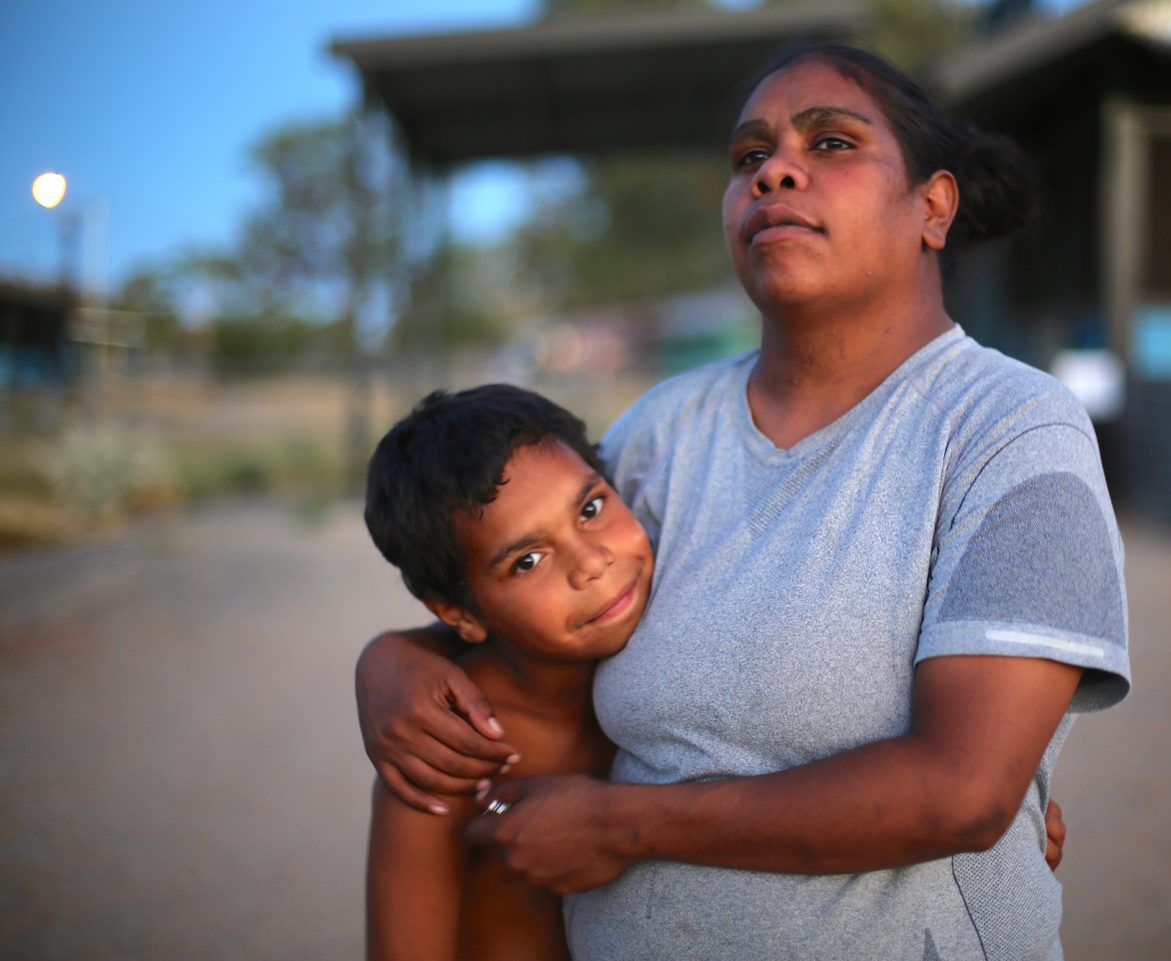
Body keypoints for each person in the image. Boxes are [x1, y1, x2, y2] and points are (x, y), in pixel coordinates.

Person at [357, 42, 1129, 961]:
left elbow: (960, 793)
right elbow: (538, 604)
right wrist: (397, 661)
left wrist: (623, 825)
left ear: (933, 206)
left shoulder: (1009, 431)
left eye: (833, 142)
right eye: (747, 157)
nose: (775, 170)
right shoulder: (659, 432)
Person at [361, 385, 654, 961]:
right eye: (527, 561)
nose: (592, 564)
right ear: (459, 615)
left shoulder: (673, 648)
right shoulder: (448, 749)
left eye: (591, 508)